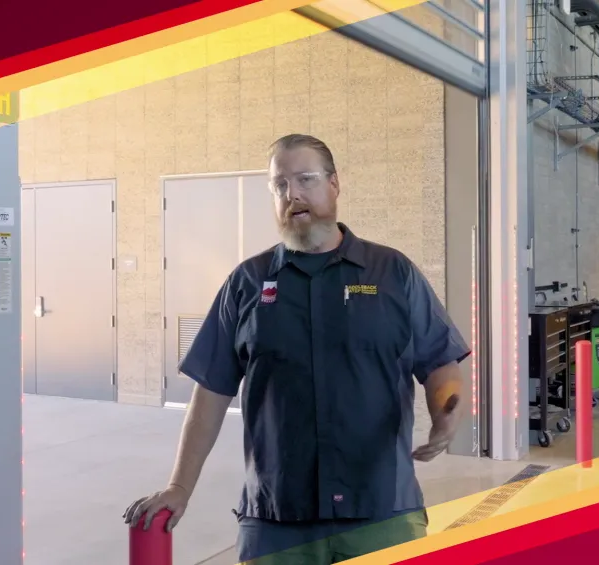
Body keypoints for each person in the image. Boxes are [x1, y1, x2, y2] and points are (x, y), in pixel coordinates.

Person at [124, 134, 471, 564]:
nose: (294, 195)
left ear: (334, 184)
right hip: (276, 521)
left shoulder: (393, 273)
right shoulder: (247, 283)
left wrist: (446, 416)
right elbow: (211, 393)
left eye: (305, 179)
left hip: (382, 512)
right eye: (280, 185)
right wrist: (180, 486)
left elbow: (440, 361)